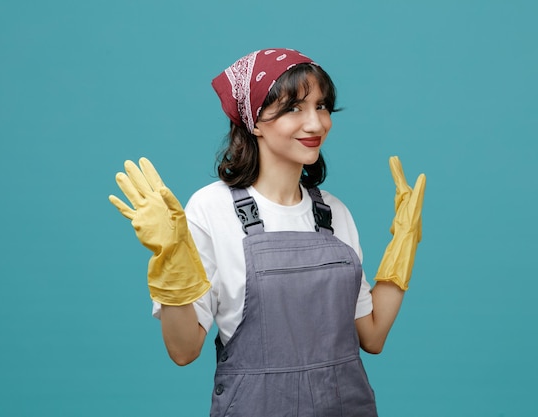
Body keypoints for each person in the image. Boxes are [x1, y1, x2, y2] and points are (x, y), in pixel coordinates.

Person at [109, 48, 426, 416]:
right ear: (255, 121)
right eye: (294, 108)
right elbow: (183, 351)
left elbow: (372, 335)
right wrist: (171, 261)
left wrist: (403, 245)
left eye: (321, 106)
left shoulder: (335, 213)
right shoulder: (210, 210)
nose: (315, 124)